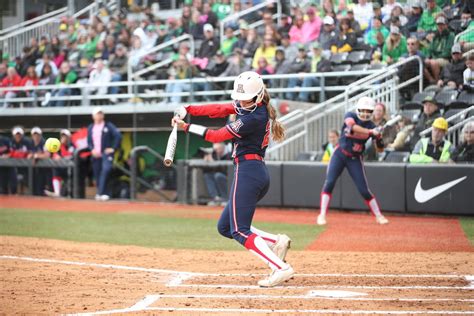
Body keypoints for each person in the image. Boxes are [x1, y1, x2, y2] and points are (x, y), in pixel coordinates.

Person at [171, 71, 294, 287]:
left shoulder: (253, 117)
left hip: (249, 171)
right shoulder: (250, 105)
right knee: (226, 227)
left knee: (239, 230)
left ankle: (281, 268)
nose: (239, 101)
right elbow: (219, 109)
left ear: (257, 97)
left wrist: (187, 127)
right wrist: (188, 110)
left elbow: (216, 136)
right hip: (252, 171)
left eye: (244, 97)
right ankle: (277, 241)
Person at [316, 96, 389, 226]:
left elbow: (381, 150)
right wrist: (371, 132)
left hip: (355, 158)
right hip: (340, 154)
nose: (365, 113)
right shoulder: (351, 115)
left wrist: (378, 137)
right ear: (358, 109)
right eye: (363, 110)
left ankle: (379, 216)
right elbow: (352, 126)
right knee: (330, 182)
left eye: (368, 111)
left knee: (364, 189)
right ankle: (321, 215)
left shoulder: (372, 126)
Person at [87, 107, 122, 201]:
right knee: (97, 174)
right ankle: (102, 193)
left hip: (106, 154)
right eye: (97, 114)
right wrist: (92, 150)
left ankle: (102, 193)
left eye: (101, 113)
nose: (99, 115)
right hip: (95, 155)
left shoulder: (108, 125)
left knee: (106, 170)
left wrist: (113, 148)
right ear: (93, 116)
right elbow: (89, 142)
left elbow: (118, 136)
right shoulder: (91, 127)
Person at [45, 129, 75, 197]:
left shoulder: (72, 145)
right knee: (54, 169)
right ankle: (57, 192)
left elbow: (71, 156)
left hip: (70, 169)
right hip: (61, 167)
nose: (63, 138)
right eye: (62, 136)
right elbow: (55, 155)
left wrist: (62, 158)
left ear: (69, 137)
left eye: (65, 136)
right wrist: (57, 156)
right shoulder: (58, 145)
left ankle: (62, 193)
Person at [424, 16, 455, 83]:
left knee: (433, 62)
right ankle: (430, 80)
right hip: (435, 58)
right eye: (438, 25)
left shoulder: (451, 35)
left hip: (446, 59)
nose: (440, 26)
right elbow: (430, 49)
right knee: (423, 62)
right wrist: (427, 57)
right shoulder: (435, 36)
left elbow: (448, 52)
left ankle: (437, 80)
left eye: (442, 24)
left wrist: (434, 57)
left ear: (446, 25)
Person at [28, 127, 51, 196]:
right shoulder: (30, 143)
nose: (36, 136)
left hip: (46, 169)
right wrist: (31, 155)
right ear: (32, 136)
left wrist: (37, 156)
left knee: (43, 188)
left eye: (37, 135)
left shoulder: (44, 143)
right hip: (35, 169)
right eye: (34, 135)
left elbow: (47, 155)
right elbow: (29, 154)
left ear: (40, 135)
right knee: (35, 188)